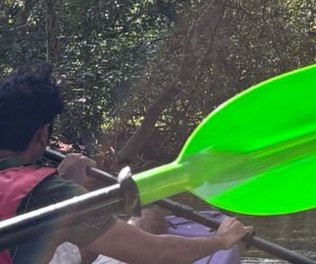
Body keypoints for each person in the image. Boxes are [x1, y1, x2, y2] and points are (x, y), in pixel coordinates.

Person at [0, 67, 252, 264]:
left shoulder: (48, 191)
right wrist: (220, 241)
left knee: (128, 223)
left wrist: (69, 194)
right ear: (43, 135)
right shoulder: (51, 192)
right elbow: (158, 254)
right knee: (148, 218)